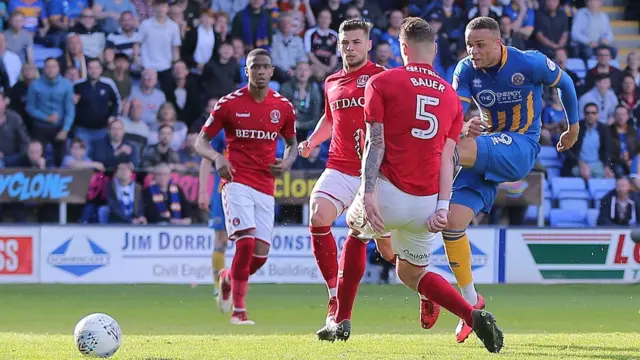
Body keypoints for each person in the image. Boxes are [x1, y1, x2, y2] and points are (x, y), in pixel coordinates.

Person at [437, 16, 580, 343]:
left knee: (448, 153)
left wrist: (573, 128)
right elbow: (454, 115)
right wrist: (461, 127)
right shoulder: (465, 70)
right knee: (452, 222)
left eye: (480, 44)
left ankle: (417, 192)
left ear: (499, 42)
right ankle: (471, 304)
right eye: (469, 45)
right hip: (485, 148)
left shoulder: (528, 62)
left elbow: (566, 84)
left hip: (519, 147)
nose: (473, 51)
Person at [296, 19, 393, 339]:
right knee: (318, 215)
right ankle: (333, 296)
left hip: (375, 174)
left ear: (368, 44)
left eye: (355, 42)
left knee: (391, 252)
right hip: (339, 166)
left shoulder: (382, 77)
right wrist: (311, 141)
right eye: (344, 43)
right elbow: (329, 117)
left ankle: (425, 290)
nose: (349, 48)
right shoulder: (332, 81)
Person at [195, 48, 297, 325]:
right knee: (245, 243)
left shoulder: (282, 106)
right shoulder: (228, 104)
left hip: (265, 185)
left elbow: (292, 144)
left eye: (265, 67)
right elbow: (200, 142)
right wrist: (217, 157)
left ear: (272, 71)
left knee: (260, 256)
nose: (261, 71)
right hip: (236, 181)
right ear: (247, 71)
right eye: (255, 67)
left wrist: (287, 162)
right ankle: (239, 311)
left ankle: (228, 278)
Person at [198, 130, 230, 296]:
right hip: (222, 190)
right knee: (221, 238)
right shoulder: (222, 131)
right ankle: (219, 286)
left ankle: (238, 283)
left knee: (247, 239)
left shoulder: (256, 123)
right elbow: (206, 160)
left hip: (248, 189)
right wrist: (203, 191)